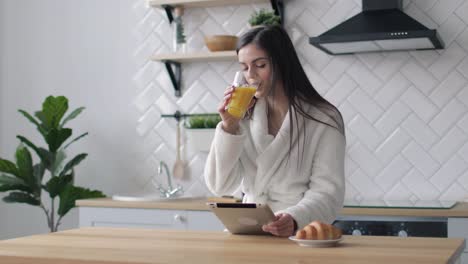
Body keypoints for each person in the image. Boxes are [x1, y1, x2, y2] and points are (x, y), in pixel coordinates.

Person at [204, 25, 346, 237]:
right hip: (247, 232)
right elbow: (220, 185)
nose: (251, 76)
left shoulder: (323, 118)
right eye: (244, 68)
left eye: (260, 65)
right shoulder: (243, 115)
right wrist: (229, 126)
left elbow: (328, 193)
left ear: (282, 63)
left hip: (297, 234)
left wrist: (295, 218)